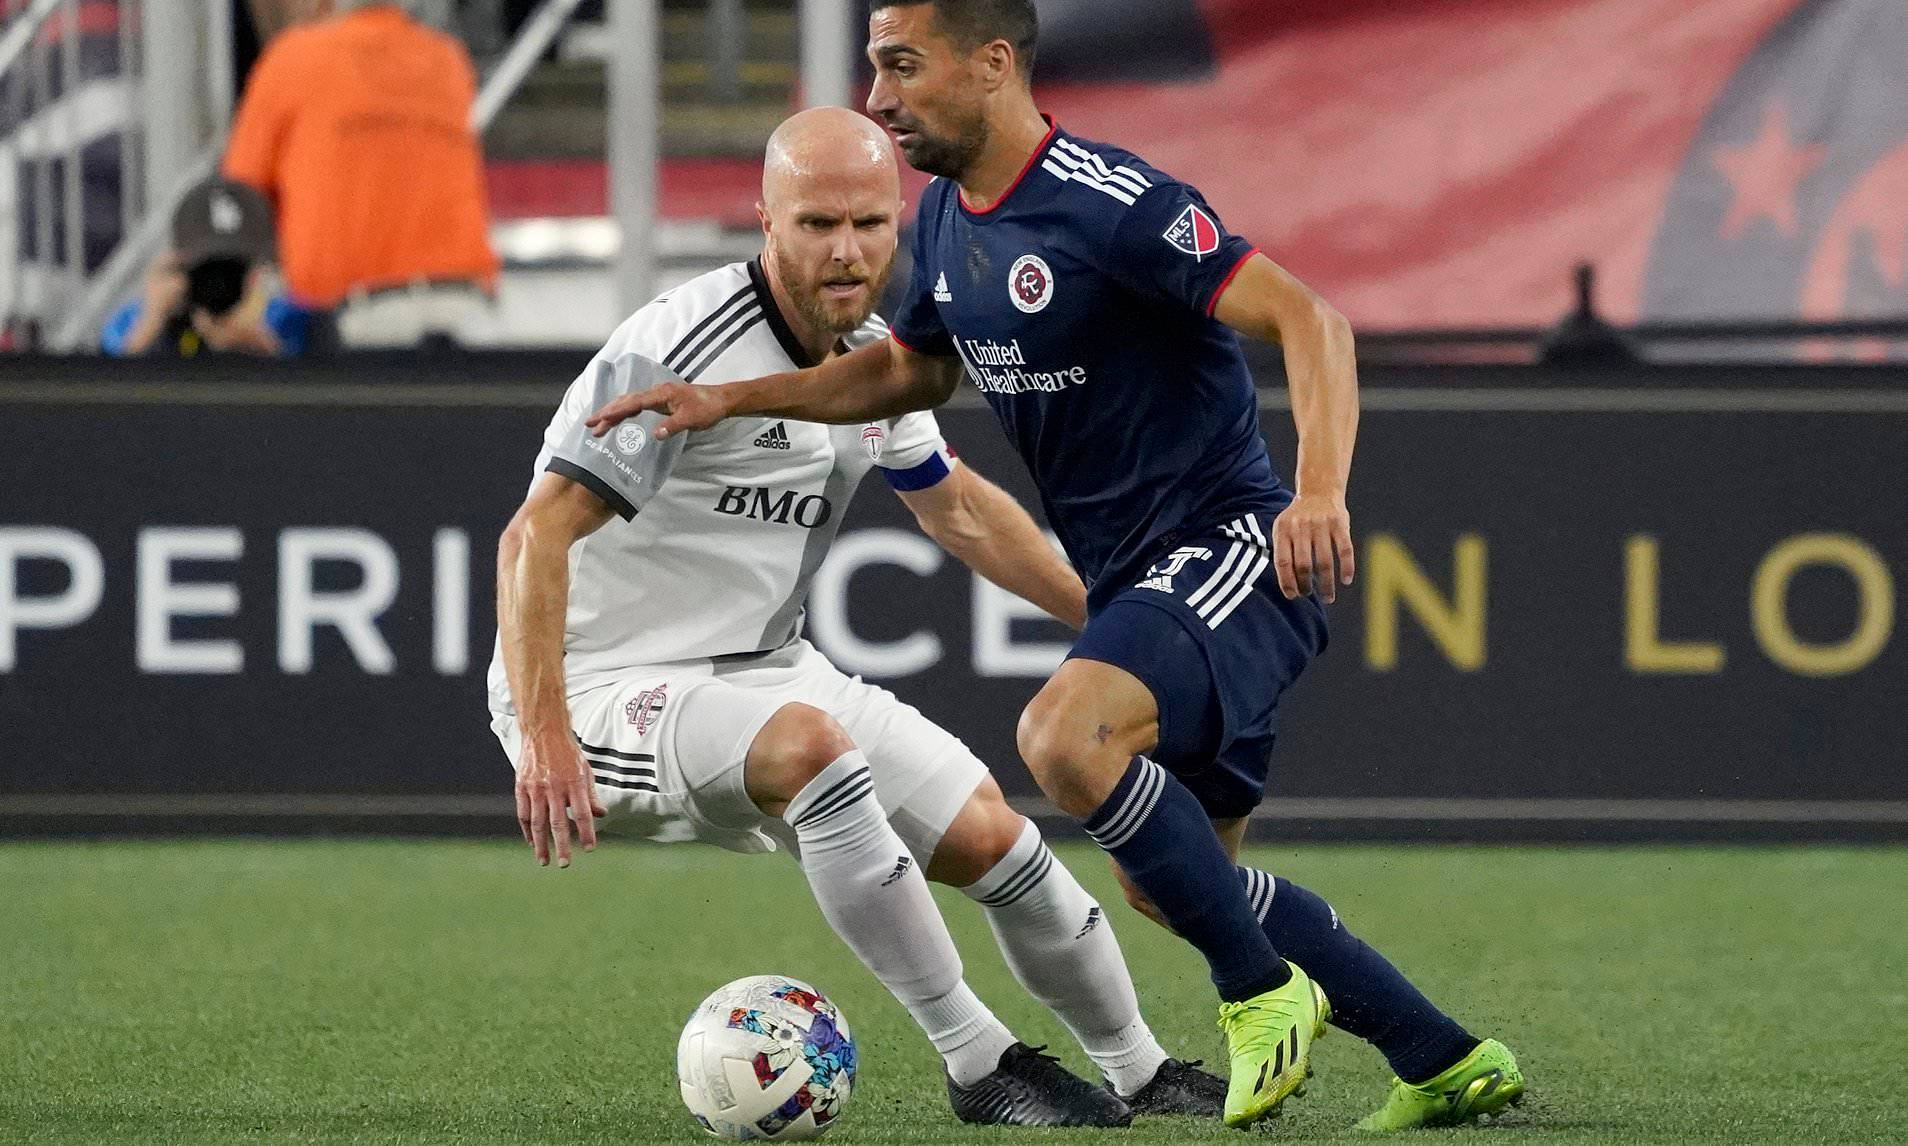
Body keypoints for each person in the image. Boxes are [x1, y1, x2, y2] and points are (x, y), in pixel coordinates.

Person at [582, 0, 1528, 1132]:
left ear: (991, 64)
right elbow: (903, 379)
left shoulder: (1113, 203)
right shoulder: (937, 228)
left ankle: (1260, 992)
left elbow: (1312, 320)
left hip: (1229, 549)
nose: (878, 99)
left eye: (899, 67)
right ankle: (1445, 1059)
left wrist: (1319, 492)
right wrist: (732, 397)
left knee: (1058, 737)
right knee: (1174, 887)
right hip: (1142, 588)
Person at [490, 106, 1229, 1129]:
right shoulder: (676, 347)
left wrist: (1111, 619)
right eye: (817, 223)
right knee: (813, 751)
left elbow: (959, 510)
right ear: (764, 220)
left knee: (997, 839)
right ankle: (979, 1063)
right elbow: (531, 542)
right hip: (605, 685)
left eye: (871, 224)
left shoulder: (878, 353)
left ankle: (1141, 1069)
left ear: (900, 224)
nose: (847, 251)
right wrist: (543, 732)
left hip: (763, 665)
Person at [222, 0, 499, 348]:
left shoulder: (293, 57)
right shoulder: (447, 59)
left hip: (359, 323)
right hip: (468, 308)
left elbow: (237, 203)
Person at [101, 177, 310, 358]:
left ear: (264, 269)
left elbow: (317, 394)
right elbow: (104, 394)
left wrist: (263, 346)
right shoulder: (140, 316)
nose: (220, 284)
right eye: (207, 270)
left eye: (234, 271)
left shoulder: (291, 317)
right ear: (180, 267)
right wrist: (151, 324)